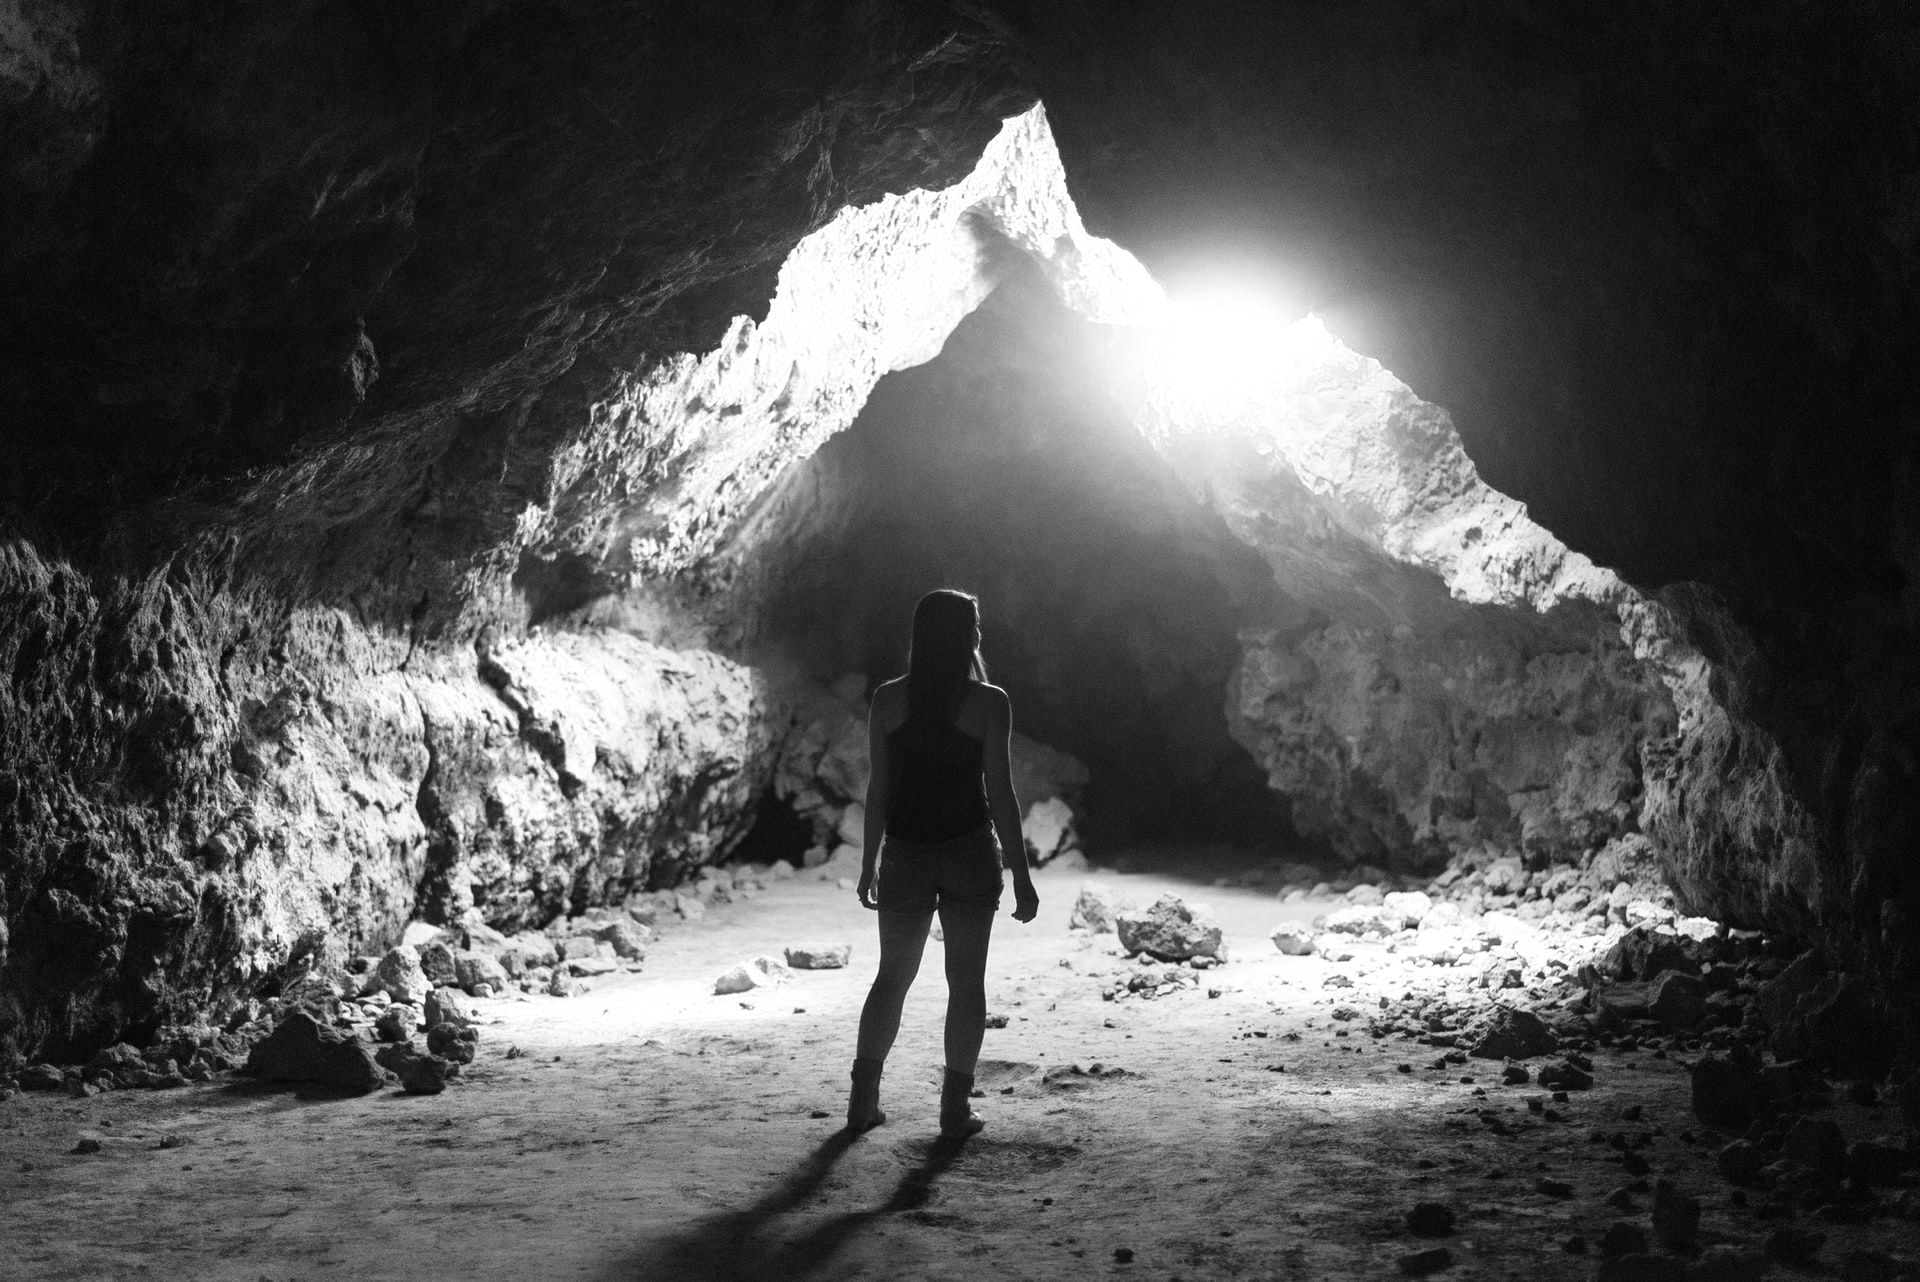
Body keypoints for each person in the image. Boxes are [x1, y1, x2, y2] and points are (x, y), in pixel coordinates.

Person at [846, 588, 1039, 1138]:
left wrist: (869, 862)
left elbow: (879, 787)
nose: (980, 633)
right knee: (966, 983)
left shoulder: (887, 700)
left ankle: (863, 1102)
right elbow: (1001, 795)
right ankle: (954, 1110)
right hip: (969, 853)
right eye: (976, 624)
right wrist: (1021, 878)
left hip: (906, 851)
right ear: (967, 636)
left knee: (891, 979)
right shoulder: (989, 702)